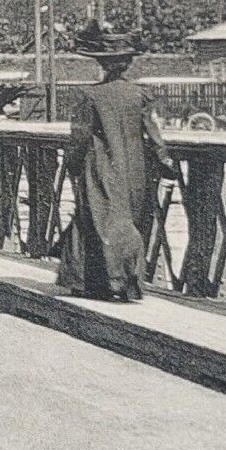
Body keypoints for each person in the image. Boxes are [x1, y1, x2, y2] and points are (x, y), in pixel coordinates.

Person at [55, 21, 172, 302]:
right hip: (134, 167)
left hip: (100, 165)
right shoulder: (140, 94)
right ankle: (127, 283)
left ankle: (93, 282)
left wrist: (71, 164)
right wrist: (165, 160)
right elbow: (153, 133)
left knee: (95, 219)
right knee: (127, 220)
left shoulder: (89, 96)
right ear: (128, 64)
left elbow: (79, 138)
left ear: (102, 64)